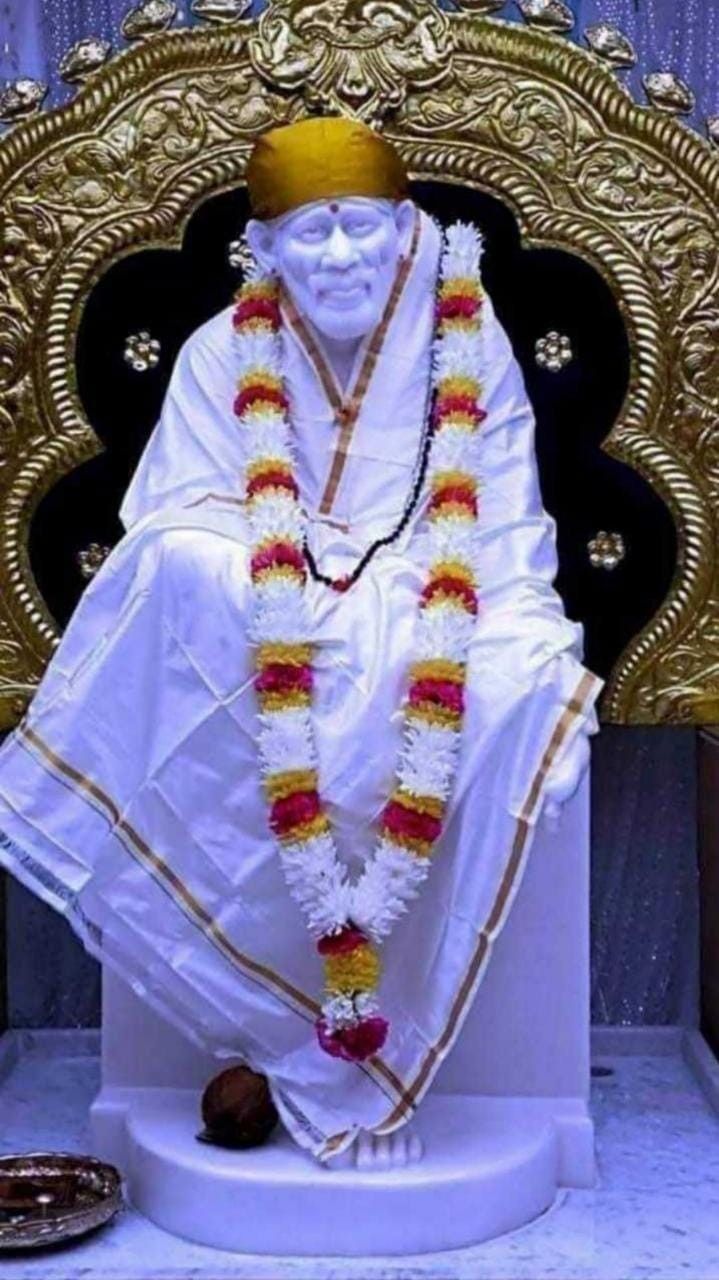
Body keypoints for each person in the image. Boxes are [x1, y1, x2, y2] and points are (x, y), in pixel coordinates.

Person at [0, 116, 602, 1163]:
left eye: (358, 230)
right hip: (255, 609)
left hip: (427, 602)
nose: (337, 257)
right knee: (168, 565)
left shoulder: (467, 336)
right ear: (264, 251)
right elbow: (174, 516)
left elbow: (502, 520)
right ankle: (264, 1018)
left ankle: (356, 1044)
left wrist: (419, 598)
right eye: (309, 236)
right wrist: (301, 580)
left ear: (406, 229)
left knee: (518, 681)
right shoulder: (217, 351)